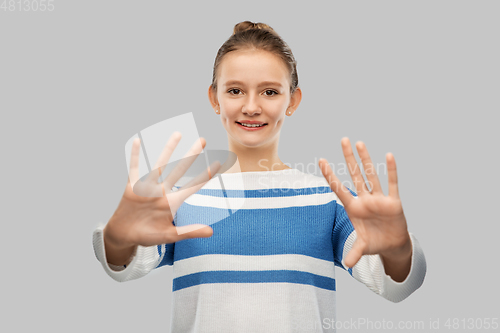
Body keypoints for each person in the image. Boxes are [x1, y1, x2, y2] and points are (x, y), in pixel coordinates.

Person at [92, 21, 426, 333]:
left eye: (270, 92)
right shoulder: (178, 202)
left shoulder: (328, 201)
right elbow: (126, 265)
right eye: (235, 91)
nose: (251, 107)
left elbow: (395, 286)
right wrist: (118, 238)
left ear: (292, 101)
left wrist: (397, 249)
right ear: (214, 98)